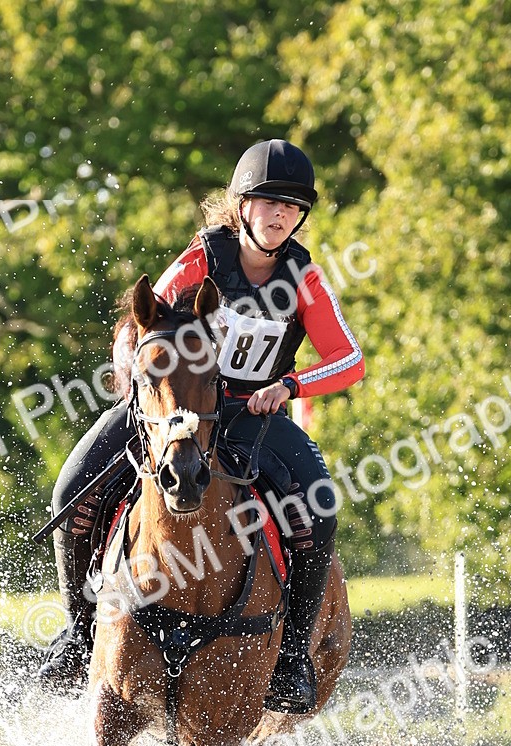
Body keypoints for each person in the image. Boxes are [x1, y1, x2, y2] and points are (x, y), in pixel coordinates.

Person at [40, 139, 365, 712]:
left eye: (291, 208)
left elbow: (349, 361)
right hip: (174, 407)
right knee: (72, 491)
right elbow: (140, 323)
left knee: (319, 508)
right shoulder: (202, 258)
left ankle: (290, 656)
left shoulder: (304, 279)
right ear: (243, 207)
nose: (280, 215)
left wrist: (287, 387)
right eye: (268, 203)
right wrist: (131, 370)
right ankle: (76, 630)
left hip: (254, 418)